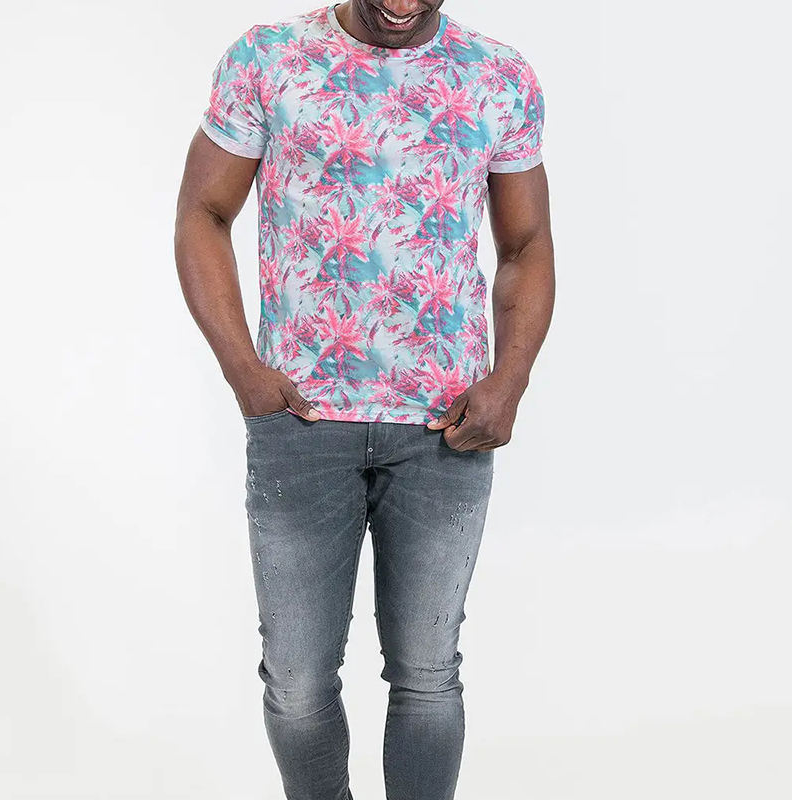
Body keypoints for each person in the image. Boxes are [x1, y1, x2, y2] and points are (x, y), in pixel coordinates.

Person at [174, 1, 554, 797]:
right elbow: (203, 213)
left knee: (428, 673)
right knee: (297, 680)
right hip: (300, 419)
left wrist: (509, 380)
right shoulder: (268, 58)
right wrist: (243, 370)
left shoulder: (499, 76)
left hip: (446, 425)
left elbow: (525, 243)